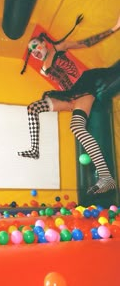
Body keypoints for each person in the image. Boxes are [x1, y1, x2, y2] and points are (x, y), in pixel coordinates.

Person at [18, 14, 120, 195]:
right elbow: (59, 83)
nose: (34, 51)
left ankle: (106, 177)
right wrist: (65, 101)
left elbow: (86, 43)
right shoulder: (43, 68)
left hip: (83, 87)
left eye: (35, 46)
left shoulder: (58, 48)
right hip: (67, 96)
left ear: (44, 43)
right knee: (33, 108)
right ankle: (35, 149)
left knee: (77, 128)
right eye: (31, 51)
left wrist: (114, 28)